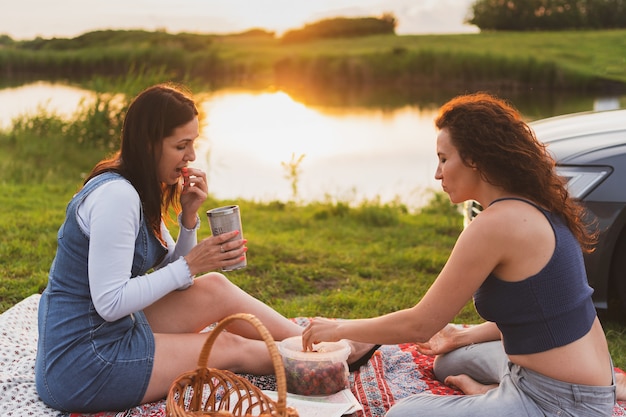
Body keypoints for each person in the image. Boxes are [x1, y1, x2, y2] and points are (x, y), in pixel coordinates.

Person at [35, 83, 374, 413]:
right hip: (84, 361)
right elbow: (110, 302)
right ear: (149, 144)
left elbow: (180, 281)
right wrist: (190, 264)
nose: (191, 156)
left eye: (193, 143)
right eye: (181, 145)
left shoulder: (139, 189)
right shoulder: (116, 196)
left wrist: (188, 218)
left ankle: (310, 343)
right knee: (227, 345)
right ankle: (322, 363)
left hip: (114, 328)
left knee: (214, 287)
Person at [302, 92, 617, 416]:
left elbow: (420, 325)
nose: (437, 174)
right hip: (585, 378)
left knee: (403, 413)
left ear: (475, 159)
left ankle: (494, 399)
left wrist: (339, 329)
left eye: (443, 158)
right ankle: (492, 395)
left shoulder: (494, 226)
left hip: (564, 403)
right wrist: (460, 336)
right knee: (449, 360)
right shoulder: (532, 202)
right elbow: (542, 313)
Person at [416, 321, 626, 401]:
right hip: (584, 364)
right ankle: (496, 392)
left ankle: (496, 393)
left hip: (561, 381)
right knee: (446, 364)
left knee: (408, 411)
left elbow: (424, 317)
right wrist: (458, 337)